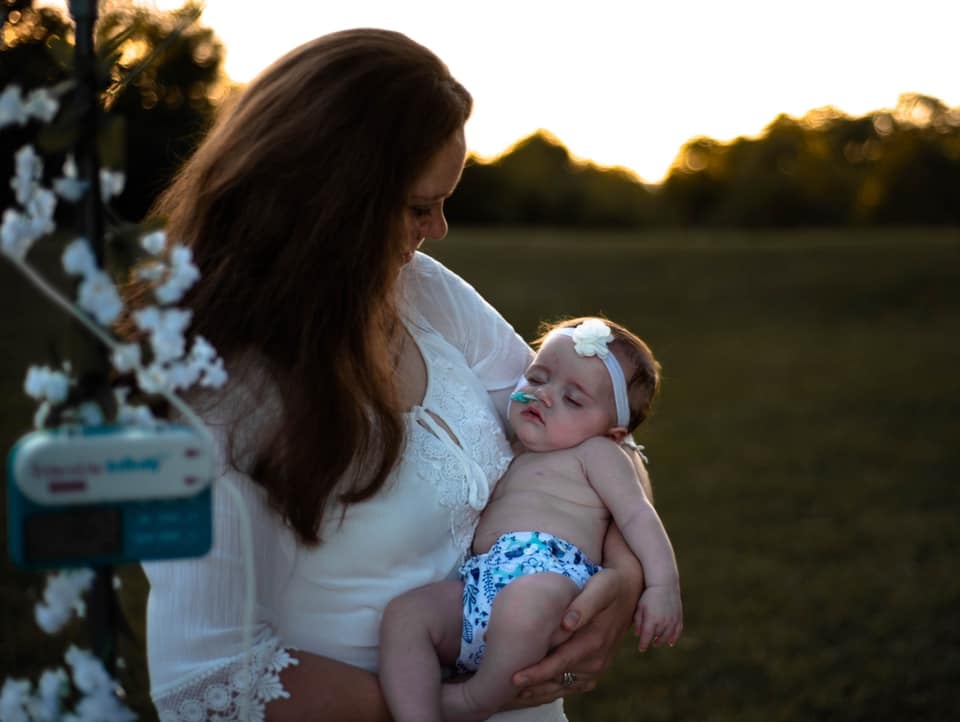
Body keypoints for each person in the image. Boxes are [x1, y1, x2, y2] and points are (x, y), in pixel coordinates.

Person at [138, 29, 648, 722]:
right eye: (417, 206)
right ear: (327, 205)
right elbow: (205, 683)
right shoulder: (209, 387)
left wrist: (622, 574)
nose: (439, 229)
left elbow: (589, 426)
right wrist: (447, 702)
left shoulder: (424, 292)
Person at [380, 317, 682, 722]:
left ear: (612, 434)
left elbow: (637, 516)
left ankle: (473, 700)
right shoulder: (512, 447)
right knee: (406, 615)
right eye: (537, 377)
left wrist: (662, 585)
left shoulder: (596, 455)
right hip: (481, 583)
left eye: (574, 399)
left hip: (551, 580)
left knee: (526, 602)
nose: (545, 396)